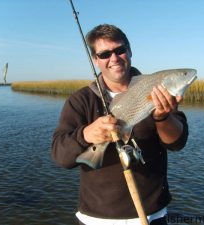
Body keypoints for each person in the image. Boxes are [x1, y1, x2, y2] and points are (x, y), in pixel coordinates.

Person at [51, 24, 188, 225]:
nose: (114, 58)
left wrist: (162, 117)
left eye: (120, 50)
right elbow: (60, 157)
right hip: (97, 217)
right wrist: (86, 135)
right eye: (105, 54)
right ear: (95, 60)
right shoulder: (80, 100)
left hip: (153, 214)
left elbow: (177, 143)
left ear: (130, 50)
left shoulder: (158, 89)